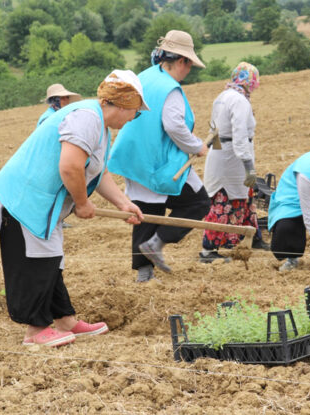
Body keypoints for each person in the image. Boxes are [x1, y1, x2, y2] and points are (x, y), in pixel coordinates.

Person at [0, 70, 148, 347]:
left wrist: (123, 203)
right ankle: (36, 330)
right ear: (124, 104)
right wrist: (82, 203)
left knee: (51, 260)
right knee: (37, 262)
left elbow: (97, 172)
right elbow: (70, 166)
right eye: (136, 111)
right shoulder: (87, 118)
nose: (135, 118)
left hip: (43, 203)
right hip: (25, 200)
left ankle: (65, 320)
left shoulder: (98, 124)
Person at [108, 30, 211, 283]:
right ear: (181, 61)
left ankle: (144, 273)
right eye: (189, 64)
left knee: (146, 209)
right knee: (198, 203)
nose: (189, 70)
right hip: (157, 161)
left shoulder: (145, 76)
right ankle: (157, 242)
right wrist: (196, 146)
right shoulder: (170, 89)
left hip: (134, 157)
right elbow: (174, 126)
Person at [199, 62, 268, 263]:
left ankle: (252, 238)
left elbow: (214, 130)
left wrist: (216, 150)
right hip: (232, 158)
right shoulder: (239, 101)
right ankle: (208, 250)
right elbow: (239, 136)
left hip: (222, 153)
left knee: (245, 197)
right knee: (223, 200)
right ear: (250, 81)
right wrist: (249, 167)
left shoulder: (222, 96)